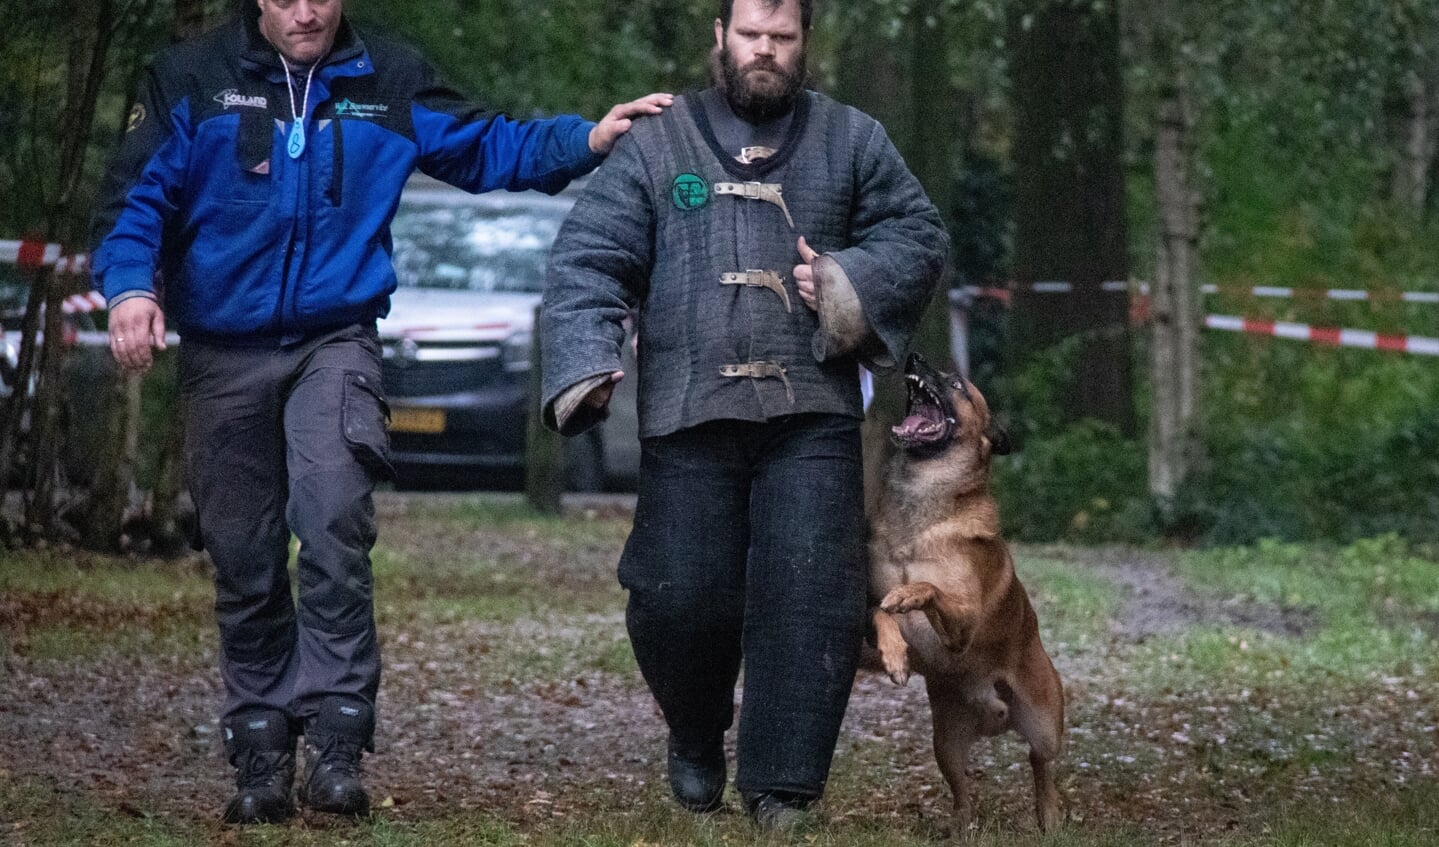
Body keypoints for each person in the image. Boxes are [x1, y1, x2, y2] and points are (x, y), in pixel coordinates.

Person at [91, 0, 670, 826]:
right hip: (223, 350)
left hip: (335, 340)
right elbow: (133, 198)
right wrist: (131, 289)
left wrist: (588, 138)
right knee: (245, 554)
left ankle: (334, 738)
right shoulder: (192, 78)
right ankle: (259, 747)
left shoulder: (387, 79)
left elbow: (488, 147)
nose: (305, 12)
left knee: (331, 523)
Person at [539, 0, 948, 829]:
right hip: (688, 413)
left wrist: (845, 282)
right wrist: (587, 360)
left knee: (811, 594)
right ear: (719, 38)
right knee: (675, 595)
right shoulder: (657, 142)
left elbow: (917, 233)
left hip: (812, 413)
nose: (764, 50)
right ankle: (695, 734)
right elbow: (587, 257)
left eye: (781, 37)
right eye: (750, 34)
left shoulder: (853, 139)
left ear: (802, 46)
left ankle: (783, 788)